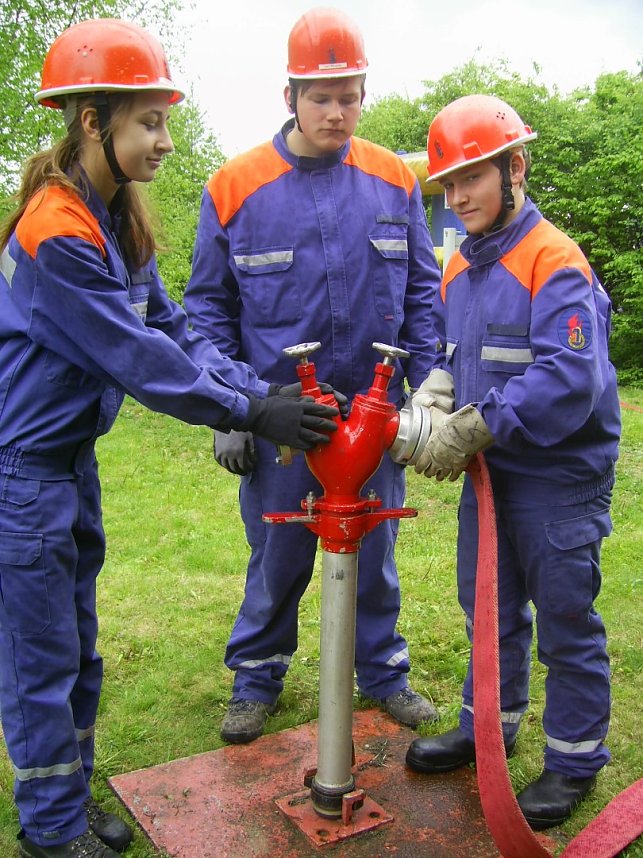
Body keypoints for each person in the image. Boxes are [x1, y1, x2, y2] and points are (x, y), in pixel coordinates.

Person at [0, 19, 341, 858]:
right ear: (93, 121)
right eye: (148, 121)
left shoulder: (112, 219)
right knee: (41, 661)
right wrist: (248, 415)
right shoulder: (56, 230)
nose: (164, 139)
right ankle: (50, 832)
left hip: (64, 469)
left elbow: (179, 330)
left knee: (76, 647)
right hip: (22, 476)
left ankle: (68, 807)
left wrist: (254, 392)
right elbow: (139, 358)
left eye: (164, 120)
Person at [184, 7, 442, 745]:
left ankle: (384, 674)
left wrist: (426, 393)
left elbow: (423, 293)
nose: (337, 112)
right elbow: (206, 311)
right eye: (321, 96)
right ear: (289, 95)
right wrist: (233, 410)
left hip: (372, 415)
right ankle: (257, 678)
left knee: (372, 549)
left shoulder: (394, 178)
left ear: (364, 94)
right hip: (282, 422)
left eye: (350, 95)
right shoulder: (234, 186)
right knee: (278, 555)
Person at [405, 94, 621, 831]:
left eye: (471, 177)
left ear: (514, 167)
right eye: (447, 184)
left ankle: (571, 761)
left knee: (563, 619)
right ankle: (484, 730)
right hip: (493, 475)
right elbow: (454, 354)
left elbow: (569, 378)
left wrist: (471, 426)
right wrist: (436, 392)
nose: (458, 195)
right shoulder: (458, 265)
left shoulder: (552, 258)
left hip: (559, 481)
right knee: (488, 611)